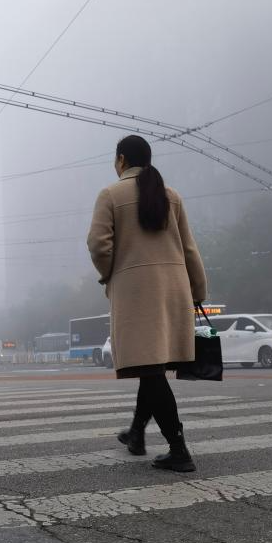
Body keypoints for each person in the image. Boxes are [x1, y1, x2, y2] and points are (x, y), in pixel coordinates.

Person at [87, 135, 207, 472]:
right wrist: (198, 291)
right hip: (173, 292)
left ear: (121, 160)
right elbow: (189, 249)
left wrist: (111, 275)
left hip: (136, 294)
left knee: (151, 371)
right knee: (150, 366)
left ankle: (179, 449)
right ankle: (137, 434)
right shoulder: (171, 196)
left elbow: (98, 245)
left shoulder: (110, 194)